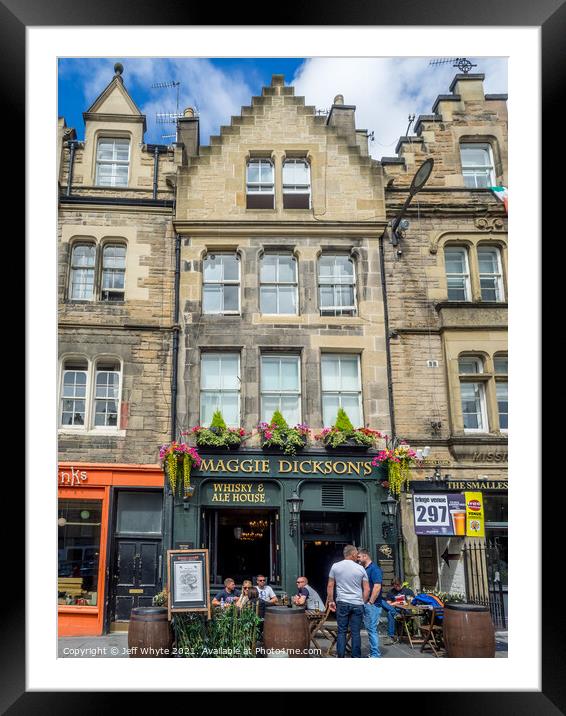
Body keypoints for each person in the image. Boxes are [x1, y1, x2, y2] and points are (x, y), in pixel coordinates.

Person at [327, 544, 369, 658]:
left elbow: (330, 585)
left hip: (342, 602)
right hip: (357, 603)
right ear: (352, 554)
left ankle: (341, 656)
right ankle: (356, 657)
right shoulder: (360, 568)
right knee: (355, 633)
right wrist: (363, 602)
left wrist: (331, 601)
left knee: (342, 632)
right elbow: (367, 588)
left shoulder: (335, 566)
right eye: (356, 554)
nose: (357, 556)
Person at [357, 548, 383, 658]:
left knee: (372, 629)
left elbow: (377, 587)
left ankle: (375, 655)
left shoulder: (374, 569)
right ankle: (374, 653)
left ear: (365, 556)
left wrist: (370, 602)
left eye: (359, 557)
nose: (357, 559)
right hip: (367, 604)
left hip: (373, 605)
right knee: (370, 629)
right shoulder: (364, 569)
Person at [382, 577, 415, 643]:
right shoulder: (391, 592)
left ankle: (391, 637)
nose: (397, 587)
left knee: (390, 613)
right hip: (396, 610)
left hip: (405, 611)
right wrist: (395, 603)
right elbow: (388, 604)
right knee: (382, 602)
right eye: (395, 585)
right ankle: (391, 636)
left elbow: (413, 602)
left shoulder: (408, 591)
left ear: (401, 583)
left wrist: (402, 602)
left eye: (398, 585)